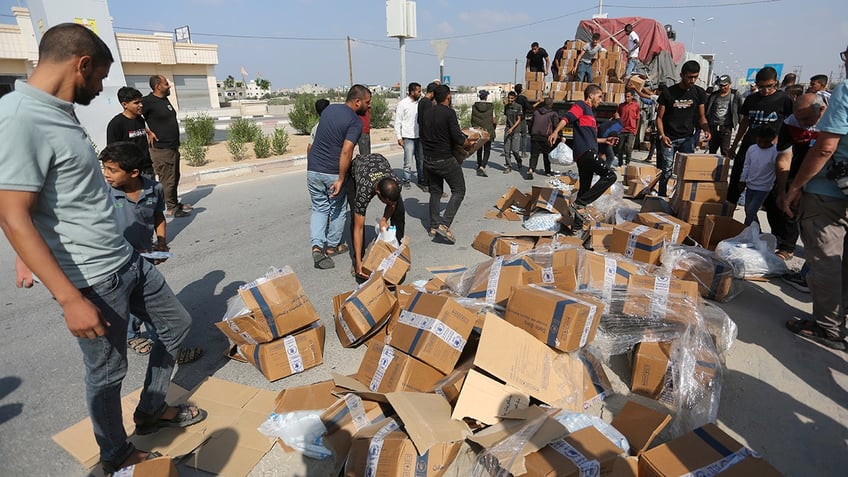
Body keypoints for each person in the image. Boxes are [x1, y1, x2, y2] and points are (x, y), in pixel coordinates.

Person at [0, 23, 205, 474]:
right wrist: (70, 299)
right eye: (97, 80)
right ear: (82, 64)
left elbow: (46, 194)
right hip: (90, 279)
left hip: (126, 259)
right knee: (107, 374)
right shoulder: (19, 116)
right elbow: (11, 212)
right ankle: (115, 454)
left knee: (176, 325)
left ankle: (151, 409)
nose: (99, 89)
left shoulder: (59, 109)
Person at [99, 142, 202, 364]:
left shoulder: (153, 189)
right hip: (117, 262)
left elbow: (158, 217)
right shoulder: (103, 193)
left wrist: (162, 243)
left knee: (147, 303)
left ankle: (165, 347)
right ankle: (140, 338)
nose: (106, 175)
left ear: (134, 172)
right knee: (136, 302)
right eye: (104, 168)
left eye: (112, 170)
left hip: (145, 258)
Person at [780, 44, 848, 351]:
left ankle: (828, 327)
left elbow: (825, 148)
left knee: (826, 260)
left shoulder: (845, 91)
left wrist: (794, 187)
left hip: (830, 193)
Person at [307, 84, 370, 269]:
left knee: (319, 208)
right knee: (337, 208)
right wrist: (342, 179)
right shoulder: (355, 122)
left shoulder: (329, 110)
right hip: (332, 172)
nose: (369, 106)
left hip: (313, 169)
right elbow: (346, 151)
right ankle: (333, 246)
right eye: (368, 102)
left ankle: (317, 246)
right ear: (357, 101)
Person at [728, 67, 794, 205]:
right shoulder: (751, 99)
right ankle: (728, 211)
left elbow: (791, 124)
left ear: (776, 82)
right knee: (737, 177)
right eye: (761, 87)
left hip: (772, 148)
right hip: (750, 144)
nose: (765, 90)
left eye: (769, 86)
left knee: (767, 182)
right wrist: (734, 145)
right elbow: (744, 122)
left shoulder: (784, 99)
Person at [420, 84, 476, 244]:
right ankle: (444, 225)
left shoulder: (426, 112)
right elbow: (458, 139)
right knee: (459, 190)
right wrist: (469, 142)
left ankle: (433, 226)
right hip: (444, 159)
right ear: (448, 97)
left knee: (435, 192)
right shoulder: (449, 113)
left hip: (429, 160)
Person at [549, 84, 619, 206]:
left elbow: (591, 138)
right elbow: (567, 118)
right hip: (586, 153)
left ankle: (576, 223)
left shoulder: (591, 115)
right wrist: (555, 131)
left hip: (587, 153)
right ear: (591, 95)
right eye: (600, 96)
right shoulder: (581, 105)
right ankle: (579, 203)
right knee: (610, 176)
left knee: (584, 189)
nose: (601, 100)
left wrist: (605, 140)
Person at [655, 60, 711, 197]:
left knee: (685, 172)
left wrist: (706, 129)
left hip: (687, 139)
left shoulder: (699, 93)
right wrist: (662, 135)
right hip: (669, 138)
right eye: (689, 77)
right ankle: (661, 197)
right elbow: (659, 118)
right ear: (682, 75)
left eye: (695, 77)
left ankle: (680, 197)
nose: (692, 80)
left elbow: (702, 117)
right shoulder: (668, 93)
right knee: (667, 171)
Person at [347, 153, 404, 279]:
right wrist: (358, 262)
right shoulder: (364, 189)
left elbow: (393, 204)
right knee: (355, 218)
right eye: (386, 202)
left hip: (379, 160)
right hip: (356, 171)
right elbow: (359, 228)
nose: (389, 205)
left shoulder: (396, 183)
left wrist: (384, 219)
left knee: (399, 213)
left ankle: (397, 253)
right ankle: (358, 260)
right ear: (377, 193)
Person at [143, 75, 191, 218]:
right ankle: (170, 208)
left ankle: (174, 203)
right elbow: (134, 115)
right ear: (158, 86)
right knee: (167, 179)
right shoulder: (148, 101)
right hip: (161, 148)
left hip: (172, 146)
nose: (169, 86)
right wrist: (147, 131)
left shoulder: (164, 100)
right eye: (166, 84)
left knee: (174, 177)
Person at [106, 86, 154, 178]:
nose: (141, 105)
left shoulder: (140, 119)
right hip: (130, 172)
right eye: (136, 103)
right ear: (125, 104)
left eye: (141, 102)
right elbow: (111, 152)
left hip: (147, 168)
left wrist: (149, 133)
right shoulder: (116, 124)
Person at [740, 127, 778, 225]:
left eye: (765, 142)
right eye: (759, 141)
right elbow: (747, 165)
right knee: (748, 210)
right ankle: (756, 231)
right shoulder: (752, 149)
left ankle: (746, 230)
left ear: (772, 139)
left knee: (751, 211)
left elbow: (778, 170)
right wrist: (743, 179)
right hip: (750, 185)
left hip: (764, 187)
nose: (762, 144)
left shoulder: (775, 152)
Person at [705, 75, 743, 156]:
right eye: (721, 85)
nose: (722, 88)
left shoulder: (734, 95)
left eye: (725, 85)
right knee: (712, 150)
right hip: (713, 126)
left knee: (725, 150)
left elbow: (740, 110)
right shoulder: (714, 95)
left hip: (726, 127)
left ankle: (723, 167)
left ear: (729, 84)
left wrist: (741, 124)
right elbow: (707, 109)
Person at [394, 82, 423, 188]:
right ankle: (406, 179)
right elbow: (398, 122)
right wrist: (399, 137)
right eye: (418, 91)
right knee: (408, 161)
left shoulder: (421, 103)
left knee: (421, 160)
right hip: (408, 137)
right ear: (412, 92)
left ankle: (422, 180)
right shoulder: (403, 104)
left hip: (419, 136)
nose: (420, 93)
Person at [527, 97, 559, 179]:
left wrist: (531, 133)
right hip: (546, 137)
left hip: (535, 136)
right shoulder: (553, 114)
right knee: (546, 154)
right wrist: (559, 135)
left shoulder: (536, 112)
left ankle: (531, 169)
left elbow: (531, 124)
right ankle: (547, 171)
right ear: (551, 104)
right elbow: (556, 126)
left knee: (534, 155)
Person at [416, 81, 438, 192]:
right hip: (427, 135)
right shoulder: (428, 103)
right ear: (433, 92)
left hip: (423, 133)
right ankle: (426, 182)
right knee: (428, 160)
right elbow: (429, 121)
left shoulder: (422, 101)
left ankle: (426, 182)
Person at [471, 89, 497, 177]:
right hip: (488, 130)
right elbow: (494, 120)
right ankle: (483, 165)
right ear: (486, 97)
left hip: (478, 131)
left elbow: (472, 119)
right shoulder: (491, 107)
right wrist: (494, 127)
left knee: (479, 148)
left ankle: (479, 164)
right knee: (487, 149)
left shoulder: (474, 106)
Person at [615, 89, 640, 165]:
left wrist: (636, 129)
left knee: (629, 147)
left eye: (628, 97)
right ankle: (620, 163)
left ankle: (627, 162)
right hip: (622, 129)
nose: (626, 98)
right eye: (625, 96)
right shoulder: (621, 106)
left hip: (631, 129)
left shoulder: (636, 106)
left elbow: (638, 118)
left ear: (632, 96)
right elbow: (617, 114)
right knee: (620, 148)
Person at [502, 91, 524, 173]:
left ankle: (519, 161)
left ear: (514, 98)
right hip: (508, 130)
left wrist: (512, 128)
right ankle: (509, 166)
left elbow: (519, 119)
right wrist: (508, 129)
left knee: (515, 150)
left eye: (511, 98)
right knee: (506, 150)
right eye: (509, 98)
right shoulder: (506, 107)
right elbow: (507, 117)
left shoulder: (518, 107)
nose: (510, 99)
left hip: (516, 130)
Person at [514, 83, 532, 157]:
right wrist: (538, 103)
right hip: (522, 119)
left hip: (514, 119)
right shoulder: (523, 98)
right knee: (524, 135)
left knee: (516, 135)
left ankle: (515, 151)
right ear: (521, 89)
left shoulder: (514, 98)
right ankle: (523, 152)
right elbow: (529, 107)